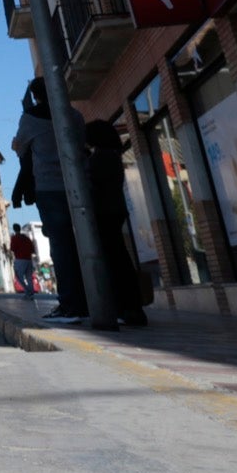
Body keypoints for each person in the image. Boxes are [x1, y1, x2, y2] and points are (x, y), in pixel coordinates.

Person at [11, 78, 88, 324]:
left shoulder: (31, 118)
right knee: (85, 242)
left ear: (35, 95)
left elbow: (21, 148)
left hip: (49, 186)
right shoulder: (73, 115)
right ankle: (91, 298)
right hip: (79, 184)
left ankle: (70, 304)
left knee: (61, 245)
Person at [85, 119, 149, 327]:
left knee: (115, 261)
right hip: (115, 210)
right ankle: (130, 308)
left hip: (105, 212)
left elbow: (93, 186)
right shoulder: (112, 156)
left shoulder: (100, 159)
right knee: (119, 258)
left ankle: (126, 308)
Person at [10, 224, 37, 297]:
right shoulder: (26, 238)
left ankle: (27, 291)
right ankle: (31, 292)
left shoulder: (14, 238)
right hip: (29, 259)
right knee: (29, 277)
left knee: (18, 277)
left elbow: (12, 248)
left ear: (14, 229)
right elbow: (32, 249)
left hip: (20, 259)